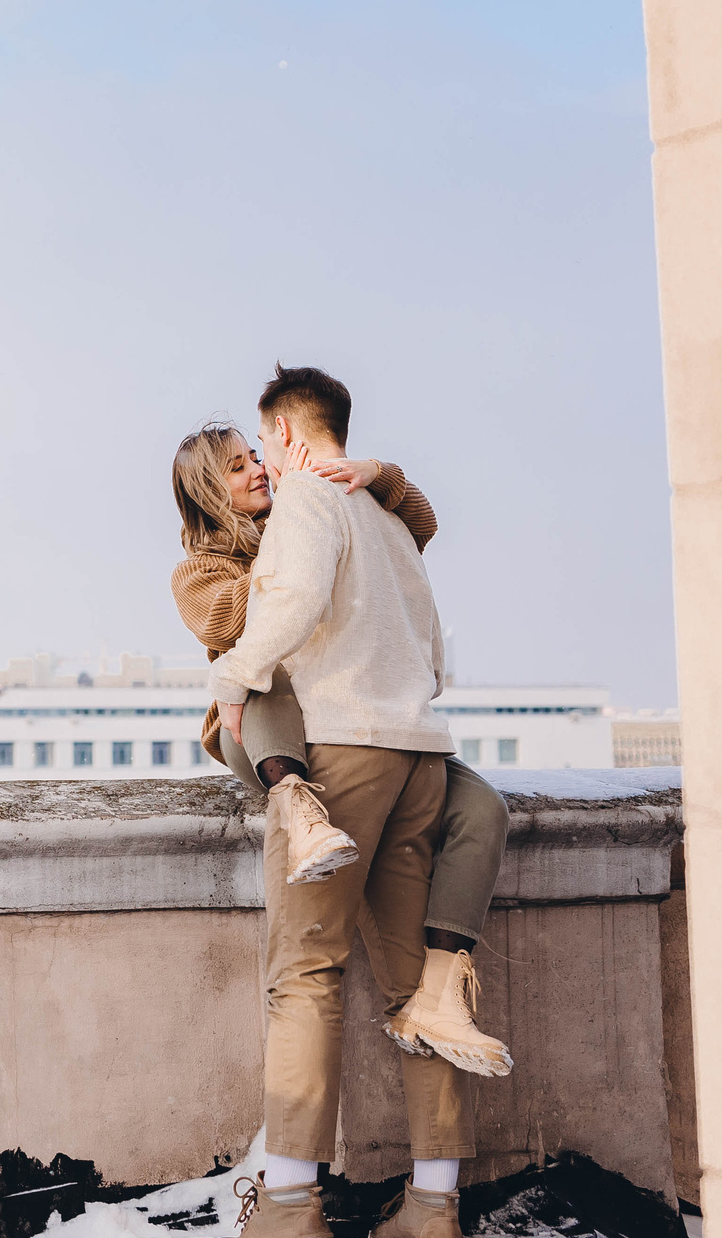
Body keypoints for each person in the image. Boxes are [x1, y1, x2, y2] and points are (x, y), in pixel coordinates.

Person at [202, 366, 475, 1238]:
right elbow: (435, 649)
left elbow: (292, 598)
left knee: (305, 975)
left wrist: (235, 675)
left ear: (285, 434)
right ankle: (433, 1207)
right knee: (416, 993)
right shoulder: (392, 519)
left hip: (348, 751)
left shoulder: (311, 500)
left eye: (262, 443)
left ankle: (287, 1207)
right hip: (421, 757)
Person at [170, 420, 513, 1079]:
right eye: (238, 468)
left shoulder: (308, 513)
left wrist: (375, 472)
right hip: (263, 731)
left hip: (356, 723)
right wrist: (302, 531)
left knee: (483, 810)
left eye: (255, 458)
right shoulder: (200, 570)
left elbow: (420, 524)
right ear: (210, 491)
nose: (258, 471)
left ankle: (441, 990)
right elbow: (232, 622)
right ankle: (298, 810)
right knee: (262, 669)